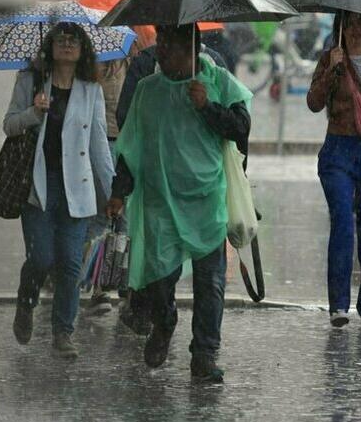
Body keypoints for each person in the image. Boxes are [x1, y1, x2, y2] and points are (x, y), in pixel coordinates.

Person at [106, 23, 252, 382]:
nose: (162, 52)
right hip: (159, 201)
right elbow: (131, 145)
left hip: (206, 201)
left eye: (170, 46)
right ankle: (164, 320)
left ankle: (204, 353)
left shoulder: (219, 81)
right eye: (161, 44)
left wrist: (208, 106)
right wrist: (118, 191)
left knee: (210, 283)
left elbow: (241, 128)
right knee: (158, 277)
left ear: (192, 49)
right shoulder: (147, 90)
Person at [2, 22, 115, 359]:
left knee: (69, 266)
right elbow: (9, 125)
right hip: (38, 185)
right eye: (61, 40)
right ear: (50, 46)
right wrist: (34, 113)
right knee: (41, 257)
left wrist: (113, 194)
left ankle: (63, 333)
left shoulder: (90, 91)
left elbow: (98, 147)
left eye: (74, 40)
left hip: (76, 188)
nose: (67, 45)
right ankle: (26, 302)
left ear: (83, 50)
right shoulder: (29, 81)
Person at [306, 10, 361, 329]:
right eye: (348, 23)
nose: (354, 30)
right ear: (340, 27)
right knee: (342, 219)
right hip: (338, 149)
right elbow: (314, 103)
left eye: (360, 23)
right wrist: (331, 72)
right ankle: (338, 304)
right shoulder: (331, 58)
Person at [83, 54, 130, 316]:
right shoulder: (128, 58)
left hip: (108, 145)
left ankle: (101, 285)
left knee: (103, 221)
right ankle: (107, 283)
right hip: (111, 146)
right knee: (117, 222)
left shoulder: (94, 62)